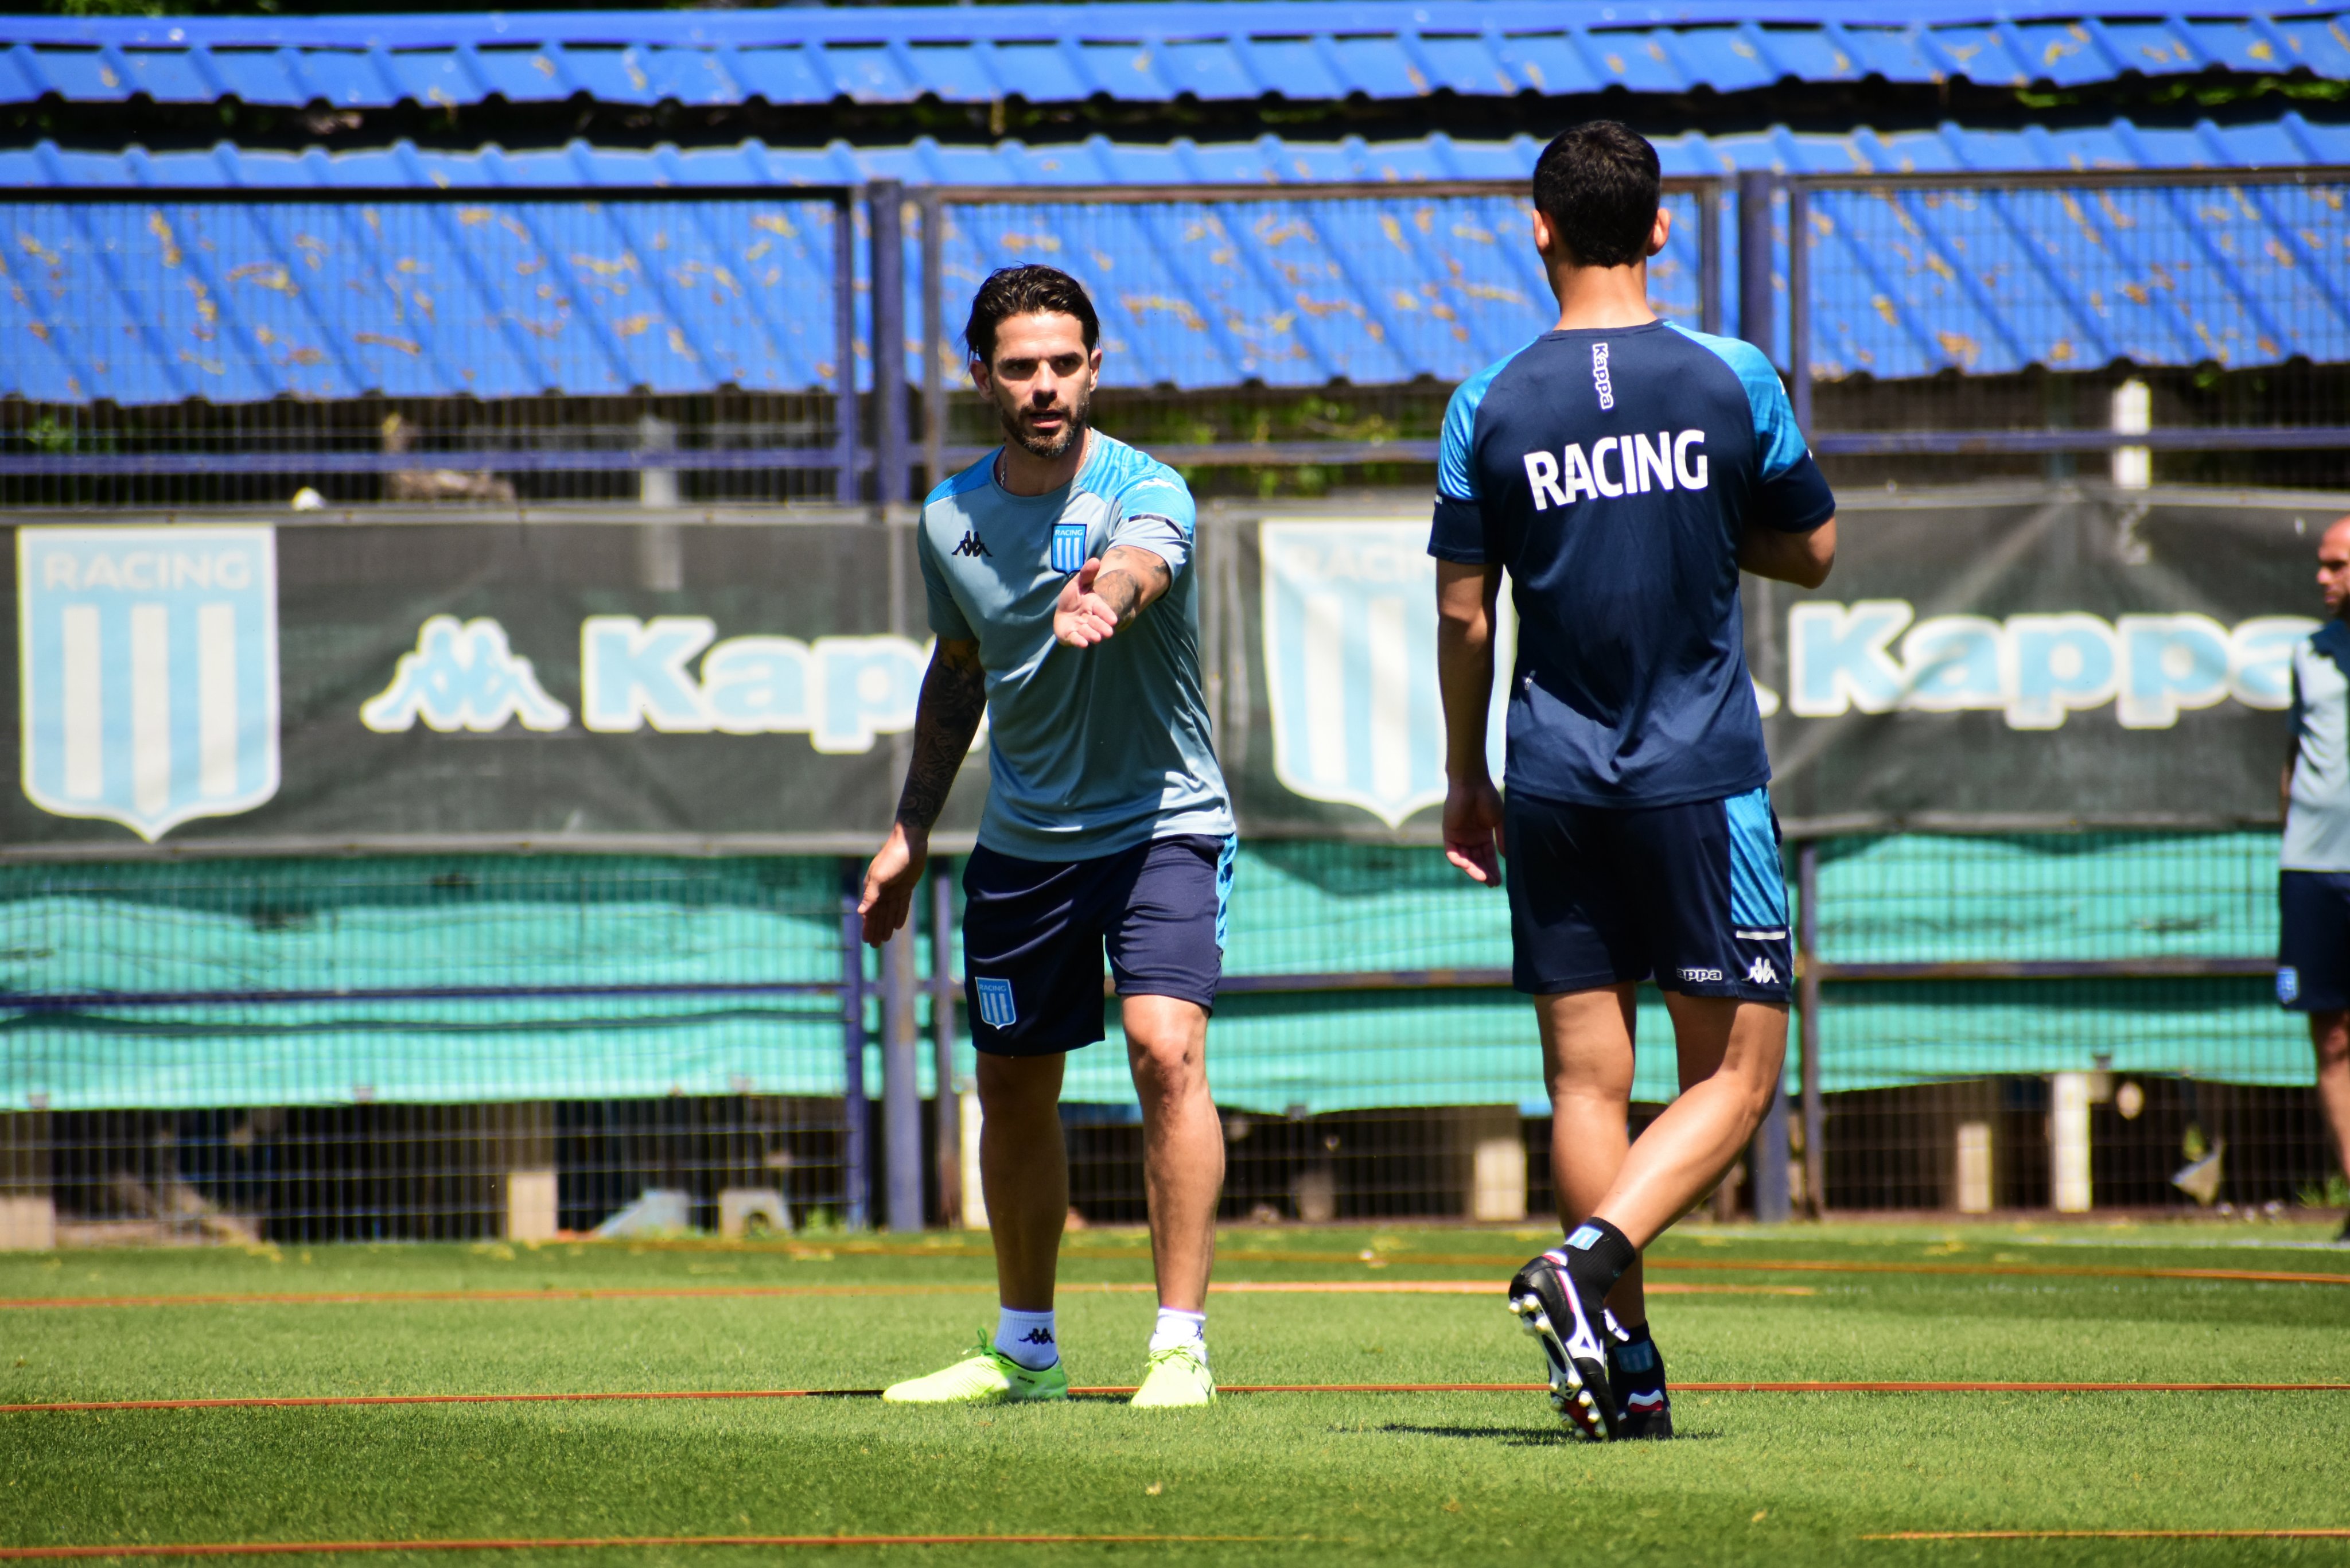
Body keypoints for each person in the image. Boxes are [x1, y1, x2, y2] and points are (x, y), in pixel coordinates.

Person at [1429, 122, 1838, 1440]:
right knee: (1738, 1079)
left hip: (1549, 779)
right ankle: (1586, 1263)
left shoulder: (1485, 401)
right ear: (1661, 227)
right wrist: (1702, 521)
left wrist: (1465, 774)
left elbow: (1463, 614)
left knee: (1585, 1086)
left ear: (1537, 229)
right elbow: (1814, 550)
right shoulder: (1732, 375)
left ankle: (1625, 1368)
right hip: (1698, 777)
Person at [859, 264, 1237, 1408]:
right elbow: (958, 670)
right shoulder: (948, 518)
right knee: (1013, 1084)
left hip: (1162, 823)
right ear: (981, 376)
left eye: (1064, 364)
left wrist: (1102, 596)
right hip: (1024, 843)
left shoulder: (1146, 486)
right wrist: (908, 829)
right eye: (1020, 367)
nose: (1044, 387)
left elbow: (1144, 559)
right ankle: (1024, 1348)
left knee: (1165, 1048)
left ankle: (1179, 1346)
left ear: (1094, 369)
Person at [2275, 513, 2350, 1245]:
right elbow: (2292, 759)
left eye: (2337, 565)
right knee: (2329, 1039)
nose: (2322, 578)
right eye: (2322, 564)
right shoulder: (2308, 653)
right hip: (2314, 869)